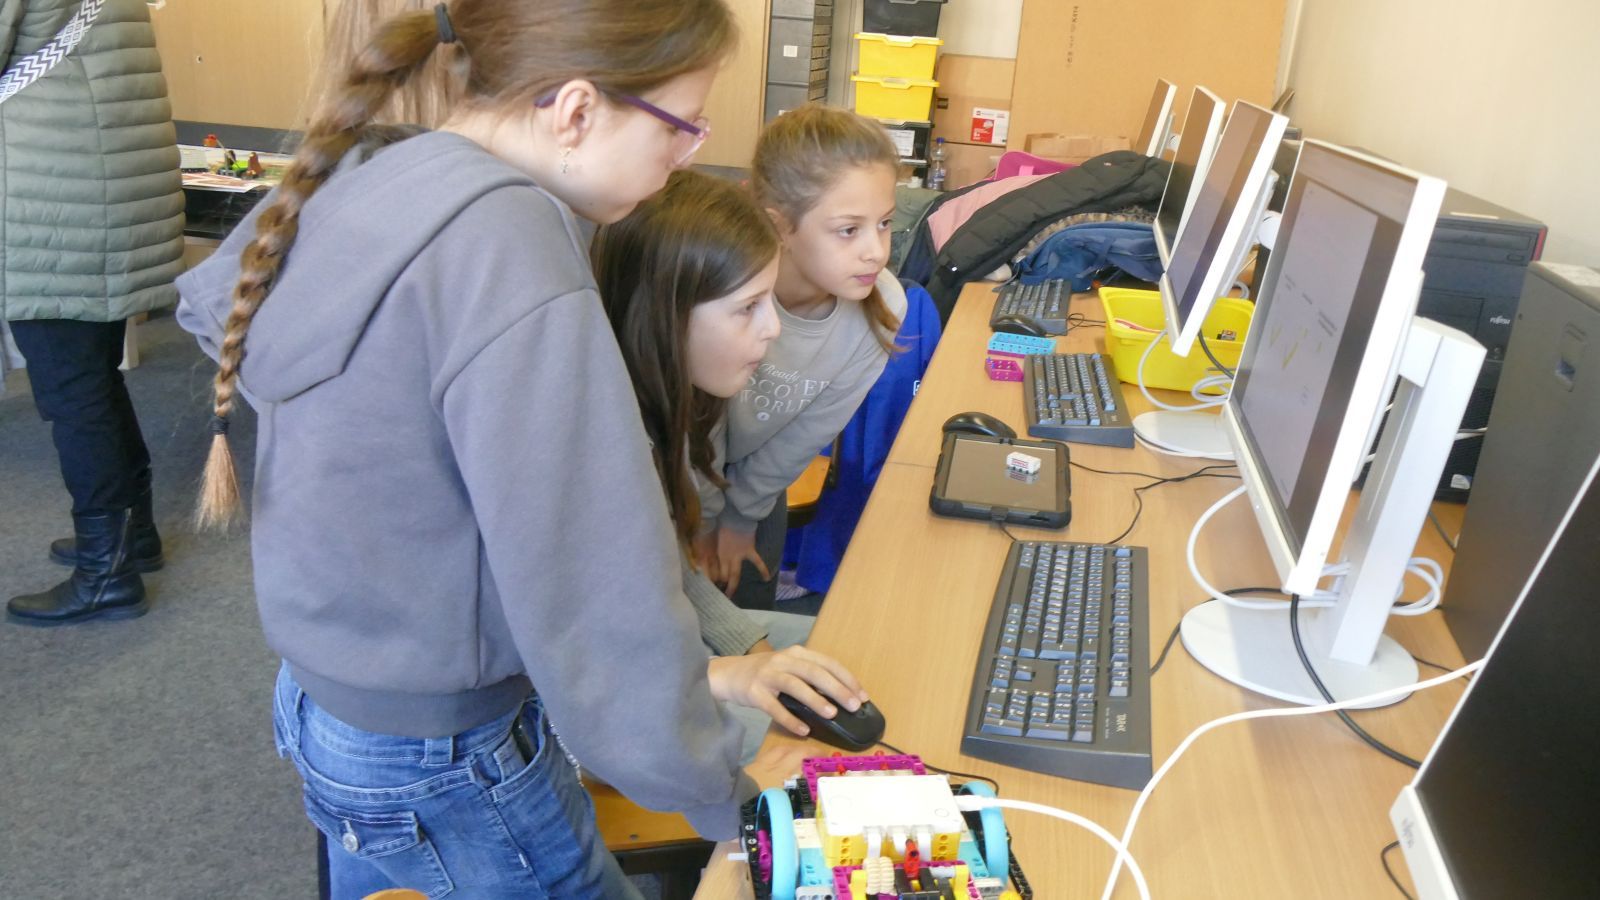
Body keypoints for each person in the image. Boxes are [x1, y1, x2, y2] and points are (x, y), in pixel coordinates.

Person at [175, 2, 753, 897]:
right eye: (682, 126)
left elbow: (216, 304)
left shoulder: (377, 165)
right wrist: (726, 801)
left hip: (327, 697)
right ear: (576, 110)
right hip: (445, 749)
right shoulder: (511, 246)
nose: (686, 155)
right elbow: (595, 578)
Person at [593, 169, 873, 763]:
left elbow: (666, 570)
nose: (773, 329)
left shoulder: (673, 404)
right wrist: (727, 673)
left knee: (858, 659)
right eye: (747, 308)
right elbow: (579, 666)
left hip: (661, 660)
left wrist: (755, 651)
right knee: (818, 761)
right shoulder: (597, 448)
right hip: (607, 707)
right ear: (664, 314)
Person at [2, 0, 184, 626]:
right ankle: (133, 536)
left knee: (72, 390)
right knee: (94, 378)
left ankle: (107, 573)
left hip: (54, 197)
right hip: (103, 176)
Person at [697, 104, 907, 610]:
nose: (876, 251)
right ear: (779, 227)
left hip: (757, 490)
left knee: (749, 607)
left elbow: (806, 434)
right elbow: (695, 422)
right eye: (848, 229)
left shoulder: (884, 304)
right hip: (676, 480)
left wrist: (739, 518)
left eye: (884, 224)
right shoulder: (723, 285)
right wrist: (702, 520)